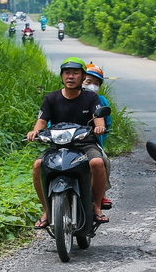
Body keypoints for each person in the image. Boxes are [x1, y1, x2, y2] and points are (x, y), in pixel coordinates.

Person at [27, 57, 109, 229]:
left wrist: (99, 128)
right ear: (62, 76)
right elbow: (42, 120)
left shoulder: (91, 97)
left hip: (85, 144)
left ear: (82, 76)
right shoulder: (51, 98)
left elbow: (99, 119)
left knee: (97, 162)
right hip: (57, 145)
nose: (71, 77)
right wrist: (35, 131)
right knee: (37, 165)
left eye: (75, 73)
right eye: (67, 73)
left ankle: (96, 205)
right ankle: (46, 211)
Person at [82, 64, 113, 210]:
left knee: (103, 162)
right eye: (88, 82)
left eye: (96, 83)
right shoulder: (65, 97)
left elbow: (106, 123)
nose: (92, 86)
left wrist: (101, 131)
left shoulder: (100, 101)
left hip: (91, 142)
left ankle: (100, 195)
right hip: (67, 140)